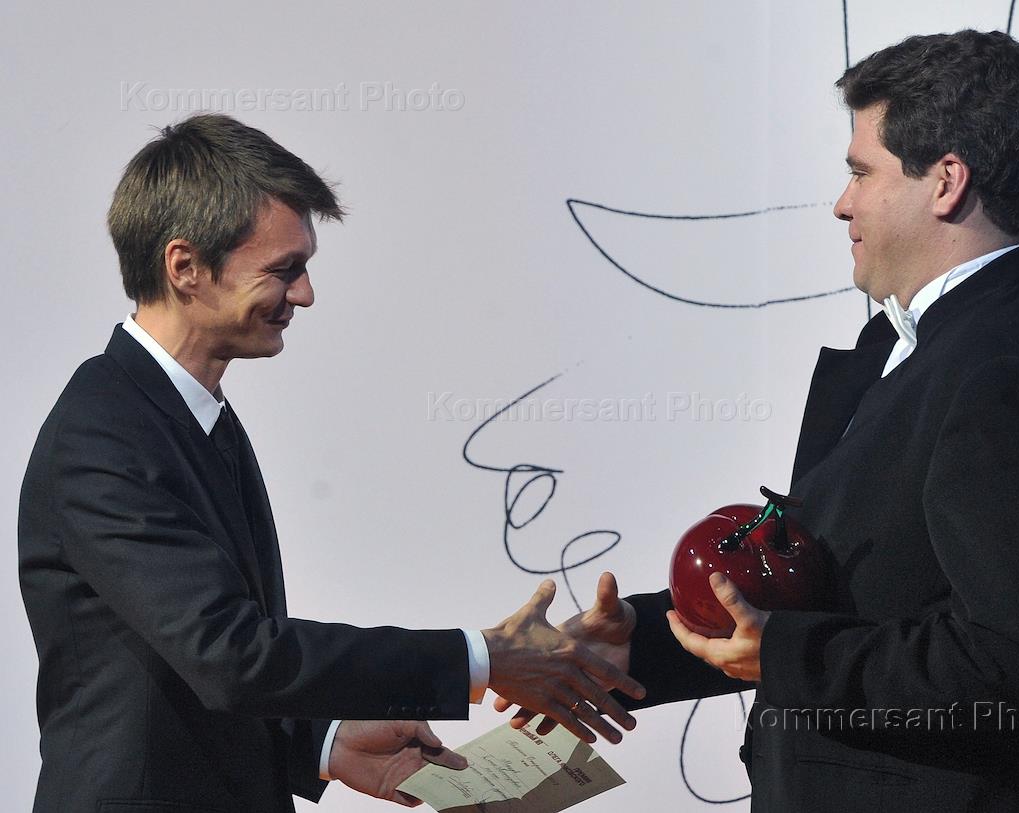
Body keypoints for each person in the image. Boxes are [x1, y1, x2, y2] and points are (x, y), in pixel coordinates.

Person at [502, 29, 1019, 812]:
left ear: (946, 182)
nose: (842, 203)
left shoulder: (1010, 364)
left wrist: (786, 655)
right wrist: (639, 641)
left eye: (861, 172)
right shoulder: (908, 348)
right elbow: (832, 600)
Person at [18, 113, 644, 813]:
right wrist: (483, 657)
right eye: (284, 269)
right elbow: (230, 653)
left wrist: (321, 743)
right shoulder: (104, 433)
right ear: (184, 266)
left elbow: (182, 665)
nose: (305, 294)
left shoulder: (189, 416)